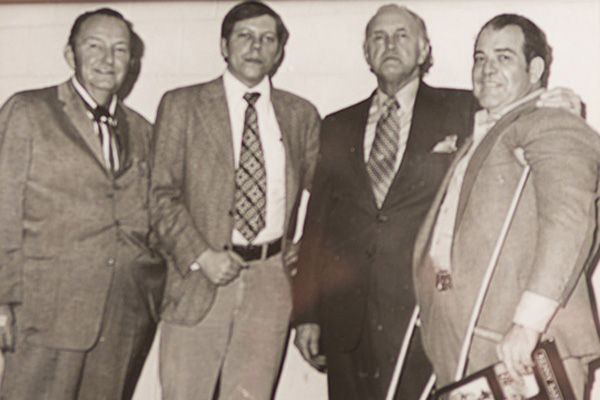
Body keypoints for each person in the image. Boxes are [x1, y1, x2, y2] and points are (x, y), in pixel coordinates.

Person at [292, 4, 582, 400]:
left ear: (424, 50)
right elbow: (317, 223)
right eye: (378, 37)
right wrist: (307, 312)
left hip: (424, 314)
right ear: (365, 53)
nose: (390, 45)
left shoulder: (468, 107)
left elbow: (535, 135)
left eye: (402, 36)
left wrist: (560, 102)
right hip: (348, 316)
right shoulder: (336, 124)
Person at [412, 13, 600, 399]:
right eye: (480, 58)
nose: (487, 69)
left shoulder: (550, 122)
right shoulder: (483, 129)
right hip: (466, 340)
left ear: (535, 69)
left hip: (522, 348)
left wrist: (528, 325)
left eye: (504, 57)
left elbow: (569, 222)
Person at [150, 1, 320, 399]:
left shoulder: (300, 115)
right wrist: (201, 255)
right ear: (224, 46)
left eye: (267, 39)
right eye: (245, 36)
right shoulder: (181, 105)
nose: (256, 47)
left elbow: (330, 197)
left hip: (270, 283)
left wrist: (308, 250)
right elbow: (159, 195)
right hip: (199, 277)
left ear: (279, 51)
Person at [0, 8, 164, 400]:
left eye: (120, 49)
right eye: (95, 46)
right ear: (70, 54)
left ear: (132, 62)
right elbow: (3, 206)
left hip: (123, 313)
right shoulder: (28, 111)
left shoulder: (142, 129)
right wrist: (2, 299)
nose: (108, 59)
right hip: (46, 311)